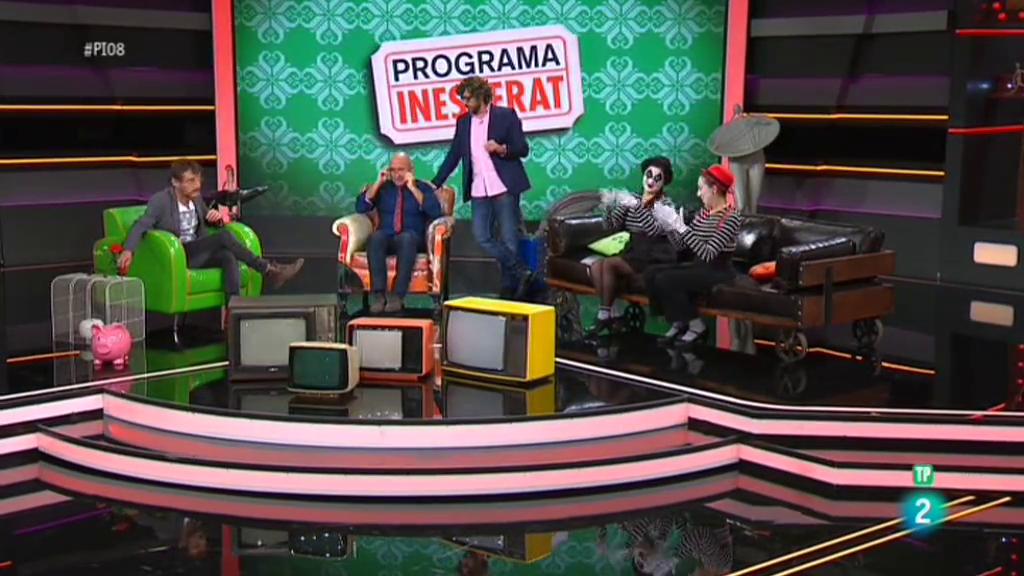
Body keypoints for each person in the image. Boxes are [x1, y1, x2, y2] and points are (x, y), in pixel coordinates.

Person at [118, 159, 304, 297]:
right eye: (191, 181)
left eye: (198, 180)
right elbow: (141, 224)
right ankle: (268, 269)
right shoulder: (161, 201)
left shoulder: (196, 198)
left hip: (196, 252)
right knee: (223, 237)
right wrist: (128, 250)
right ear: (175, 182)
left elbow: (208, 221)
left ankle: (233, 312)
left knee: (227, 255)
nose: (197, 185)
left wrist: (216, 220)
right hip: (177, 254)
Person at [431, 76, 534, 299]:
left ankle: (509, 290)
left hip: (504, 186)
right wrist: (436, 182)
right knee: (481, 236)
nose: (465, 103)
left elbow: (522, 148)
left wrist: (501, 148)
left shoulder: (505, 115)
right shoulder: (463, 122)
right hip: (479, 189)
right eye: (463, 98)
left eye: (468, 98)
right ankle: (521, 269)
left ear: (481, 96)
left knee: (509, 238)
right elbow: (454, 155)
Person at [644, 164, 742, 348]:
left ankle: (697, 326)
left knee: (666, 279)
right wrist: (669, 227)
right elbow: (682, 246)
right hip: (698, 266)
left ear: (714, 190)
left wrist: (682, 228)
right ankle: (678, 321)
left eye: (701, 189)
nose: (698, 194)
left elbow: (708, 253)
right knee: (651, 273)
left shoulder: (731, 218)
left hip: (718, 270)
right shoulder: (704, 213)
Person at [588, 156, 677, 337]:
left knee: (609, 264)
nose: (651, 181)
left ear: (664, 182)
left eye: (657, 178)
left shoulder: (665, 204)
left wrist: (637, 207)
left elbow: (654, 230)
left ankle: (604, 315)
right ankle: (613, 314)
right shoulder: (633, 199)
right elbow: (611, 226)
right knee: (596, 266)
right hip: (635, 249)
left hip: (656, 252)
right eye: (648, 175)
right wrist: (607, 206)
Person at [356, 152, 443, 314]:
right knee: (376, 238)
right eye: (393, 170)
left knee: (406, 238)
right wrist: (378, 183)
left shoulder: (422, 188)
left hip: (412, 237)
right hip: (387, 235)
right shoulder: (383, 188)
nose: (397, 174)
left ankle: (397, 295)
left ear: (411, 170)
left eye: (401, 170)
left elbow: (435, 212)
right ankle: (378, 294)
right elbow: (361, 207)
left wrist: (413, 188)